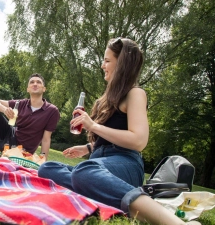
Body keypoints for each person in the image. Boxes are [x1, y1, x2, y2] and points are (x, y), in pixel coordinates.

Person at [37, 38, 200, 225]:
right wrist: (88, 148)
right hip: (99, 161)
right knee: (47, 168)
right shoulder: (105, 100)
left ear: (121, 63)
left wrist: (94, 126)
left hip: (126, 162)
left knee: (84, 171)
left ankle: (172, 222)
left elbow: (138, 140)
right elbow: (109, 138)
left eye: (107, 60)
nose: (102, 65)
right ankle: (98, 189)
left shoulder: (135, 93)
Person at [0, 73, 60, 161]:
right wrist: (4, 110)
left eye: (38, 82)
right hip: (11, 133)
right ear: (28, 89)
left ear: (44, 89)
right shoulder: (21, 103)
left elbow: (46, 139)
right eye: (32, 82)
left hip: (19, 149)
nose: (35, 84)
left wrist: (43, 161)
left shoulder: (52, 111)